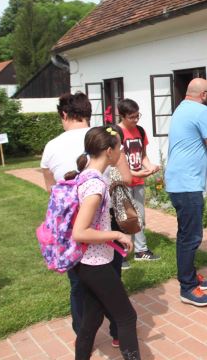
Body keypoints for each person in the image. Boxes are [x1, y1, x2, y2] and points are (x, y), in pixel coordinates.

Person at [41, 92, 130, 347]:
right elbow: (125, 178)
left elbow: (51, 189)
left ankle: (84, 337)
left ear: (64, 114)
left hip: (72, 229)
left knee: (79, 285)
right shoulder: (106, 138)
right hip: (104, 223)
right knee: (111, 281)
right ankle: (117, 332)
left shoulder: (51, 147)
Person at [70, 126, 140, 360]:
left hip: (88, 262)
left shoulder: (86, 175)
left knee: (92, 319)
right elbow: (80, 232)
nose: (122, 152)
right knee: (127, 317)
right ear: (109, 151)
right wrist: (116, 235)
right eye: (120, 147)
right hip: (95, 263)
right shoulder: (95, 185)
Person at [165, 78, 207, 307]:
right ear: (204, 95)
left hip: (178, 182)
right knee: (191, 237)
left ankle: (190, 276)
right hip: (187, 184)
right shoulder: (202, 111)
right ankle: (187, 288)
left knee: (185, 234)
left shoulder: (181, 109)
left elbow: (194, 147)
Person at [117, 99, 160, 264]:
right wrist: (136, 173)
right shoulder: (115, 133)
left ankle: (141, 251)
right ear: (122, 116)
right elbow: (115, 162)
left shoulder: (140, 131)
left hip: (138, 181)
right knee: (124, 218)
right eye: (132, 117)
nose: (135, 120)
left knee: (139, 217)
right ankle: (120, 254)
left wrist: (150, 167)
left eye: (137, 116)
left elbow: (143, 156)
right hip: (122, 182)